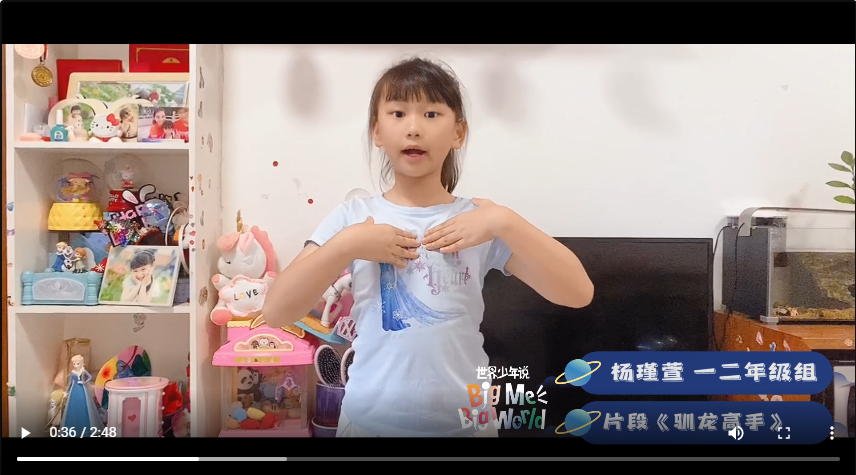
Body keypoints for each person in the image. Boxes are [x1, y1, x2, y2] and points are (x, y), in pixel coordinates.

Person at [263, 57, 593, 438]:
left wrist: (505, 221)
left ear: (458, 132)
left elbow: (578, 292)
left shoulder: (480, 221)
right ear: (377, 131)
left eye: (432, 114)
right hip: (368, 425)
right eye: (398, 113)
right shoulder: (352, 218)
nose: (414, 128)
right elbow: (276, 311)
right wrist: (347, 245)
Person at [61, 355, 104, 434]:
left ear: (81, 363)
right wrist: (66, 392)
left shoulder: (83, 371)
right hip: (74, 390)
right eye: (74, 364)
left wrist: (84, 382)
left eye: (77, 363)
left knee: (84, 405)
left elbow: (90, 377)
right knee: (73, 406)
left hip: (82, 389)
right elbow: (70, 382)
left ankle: (87, 428)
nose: (76, 365)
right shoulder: (73, 373)